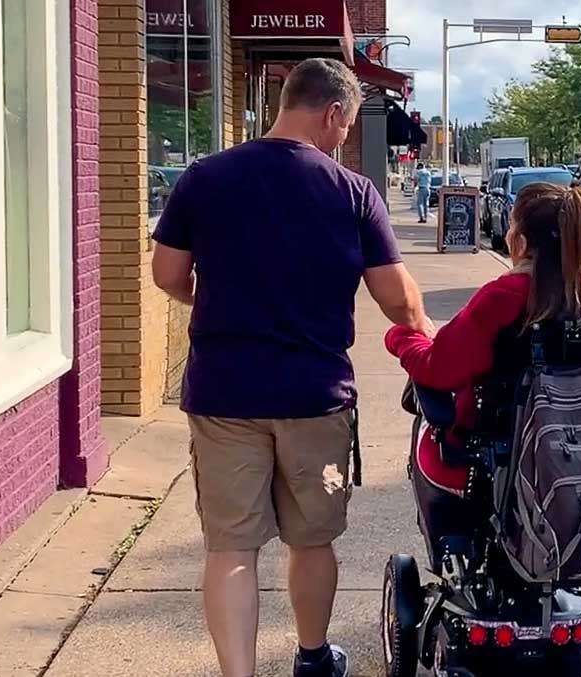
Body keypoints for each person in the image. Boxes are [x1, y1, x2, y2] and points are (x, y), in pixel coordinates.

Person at [150, 57, 435, 677]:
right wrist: (427, 333)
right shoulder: (351, 191)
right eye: (345, 127)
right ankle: (312, 658)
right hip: (313, 394)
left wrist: (220, 301)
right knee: (312, 539)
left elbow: (168, 276)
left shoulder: (204, 178)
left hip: (224, 392)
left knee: (231, 546)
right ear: (333, 112)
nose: (342, 140)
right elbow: (398, 299)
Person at [384, 182, 581, 540]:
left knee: (427, 426)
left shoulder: (501, 300)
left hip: (490, 463)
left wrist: (404, 336)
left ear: (522, 244)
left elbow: (438, 370)